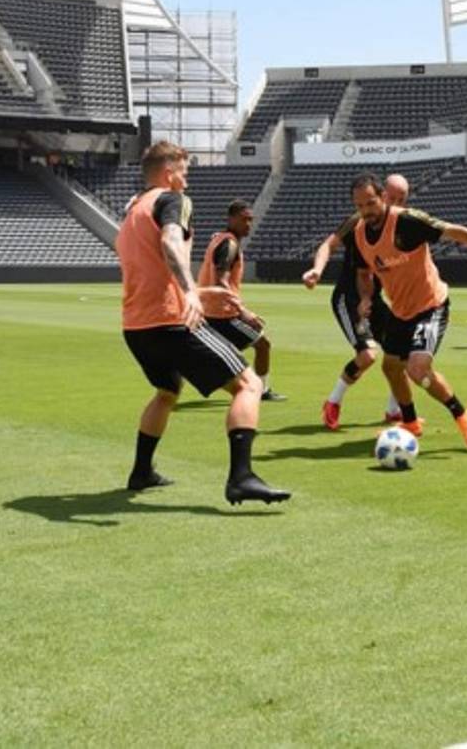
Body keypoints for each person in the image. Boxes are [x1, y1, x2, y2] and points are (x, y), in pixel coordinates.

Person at [117, 140, 290, 505]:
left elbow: (150, 263)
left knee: (167, 392)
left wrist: (200, 288)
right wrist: (190, 293)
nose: (187, 177)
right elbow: (169, 242)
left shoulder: (134, 208)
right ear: (168, 173)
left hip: (135, 324)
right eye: (184, 170)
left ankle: (141, 472)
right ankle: (241, 478)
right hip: (170, 321)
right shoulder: (172, 200)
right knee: (249, 384)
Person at [348, 172, 467, 447]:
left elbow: (456, 232)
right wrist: (366, 298)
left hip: (431, 304)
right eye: (359, 206)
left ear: (382, 197)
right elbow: (363, 274)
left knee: (417, 369)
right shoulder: (359, 233)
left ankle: (462, 415)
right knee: (391, 367)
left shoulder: (407, 222)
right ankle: (410, 422)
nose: (366, 211)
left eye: (370, 203)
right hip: (400, 310)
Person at [302, 174, 409, 430]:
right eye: (392, 198)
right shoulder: (359, 221)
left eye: (401, 199)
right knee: (368, 355)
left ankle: (394, 411)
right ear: (383, 195)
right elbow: (328, 245)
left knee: (402, 353)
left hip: (375, 299)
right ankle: (332, 402)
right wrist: (317, 270)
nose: (395, 203)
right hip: (348, 298)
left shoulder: (403, 223)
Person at [197, 199, 285, 401]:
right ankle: (261, 390)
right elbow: (221, 280)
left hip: (208, 310)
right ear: (231, 219)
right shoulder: (229, 244)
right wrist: (243, 311)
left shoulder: (220, 239)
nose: (248, 224)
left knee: (224, 354)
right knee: (263, 344)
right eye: (244, 219)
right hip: (223, 313)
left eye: (250, 220)